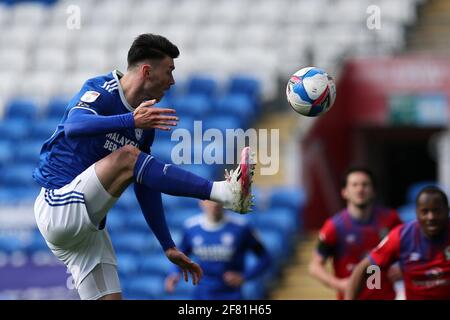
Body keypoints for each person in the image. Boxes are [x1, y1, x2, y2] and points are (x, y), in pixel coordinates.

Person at [32, 34, 255, 300]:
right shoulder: (102, 89)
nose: (172, 81)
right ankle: (225, 193)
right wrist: (130, 120)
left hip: (89, 234)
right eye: (169, 71)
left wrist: (167, 245)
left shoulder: (142, 122)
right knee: (128, 156)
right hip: (58, 204)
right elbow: (74, 127)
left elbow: (144, 180)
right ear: (147, 71)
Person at [308, 167, 403, 300]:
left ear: (374, 191)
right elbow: (314, 266)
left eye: (365, 184)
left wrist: (403, 269)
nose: (360, 189)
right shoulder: (334, 226)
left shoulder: (391, 220)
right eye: (354, 185)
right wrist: (338, 284)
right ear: (344, 192)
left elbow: (412, 250)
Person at [346, 186, 450, 300]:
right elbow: (364, 268)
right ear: (417, 212)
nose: (431, 217)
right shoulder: (401, 236)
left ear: (447, 210)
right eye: (425, 212)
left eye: (437, 211)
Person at [164, 200, 271, 300]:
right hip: (202, 294)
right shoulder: (191, 227)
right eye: (210, 199)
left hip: (231, 295)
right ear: (201, 202)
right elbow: (180, 256)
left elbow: (265, 258)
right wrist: (174, 273)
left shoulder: (241, 227)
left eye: (218, 199)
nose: (214, 204)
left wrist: (244, 277)